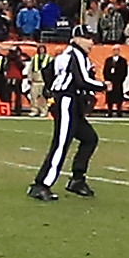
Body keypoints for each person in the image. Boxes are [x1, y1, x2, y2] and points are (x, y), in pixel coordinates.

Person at [27, 23, 100, 203]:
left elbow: (47, 71)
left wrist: (53, 89)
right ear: (76, 39)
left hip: (69, 103)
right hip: (67, 102)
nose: (91, 42)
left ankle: (77, 179)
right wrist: (102, 86)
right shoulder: (75, 54)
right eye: (87, 38)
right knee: (61, 144)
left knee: (90, 138)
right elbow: (82, 80)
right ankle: (41, 185)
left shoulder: (67, 54)